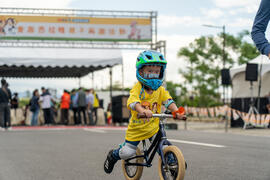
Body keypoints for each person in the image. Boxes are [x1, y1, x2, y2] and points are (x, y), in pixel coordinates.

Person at [103, 50, 186, 174]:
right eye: (150, 71)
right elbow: (133, 102)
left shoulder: (160, 90)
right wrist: (142, 110)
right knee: (127, 153)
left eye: (157, 72)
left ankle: (173, 162)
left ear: (161, 73)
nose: (154, 74)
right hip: (136, 129)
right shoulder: (138, 88)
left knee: (163, 147)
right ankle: (113, 155)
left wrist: (176, 112)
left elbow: (168, 101)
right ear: (141, 71)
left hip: (153, 127)